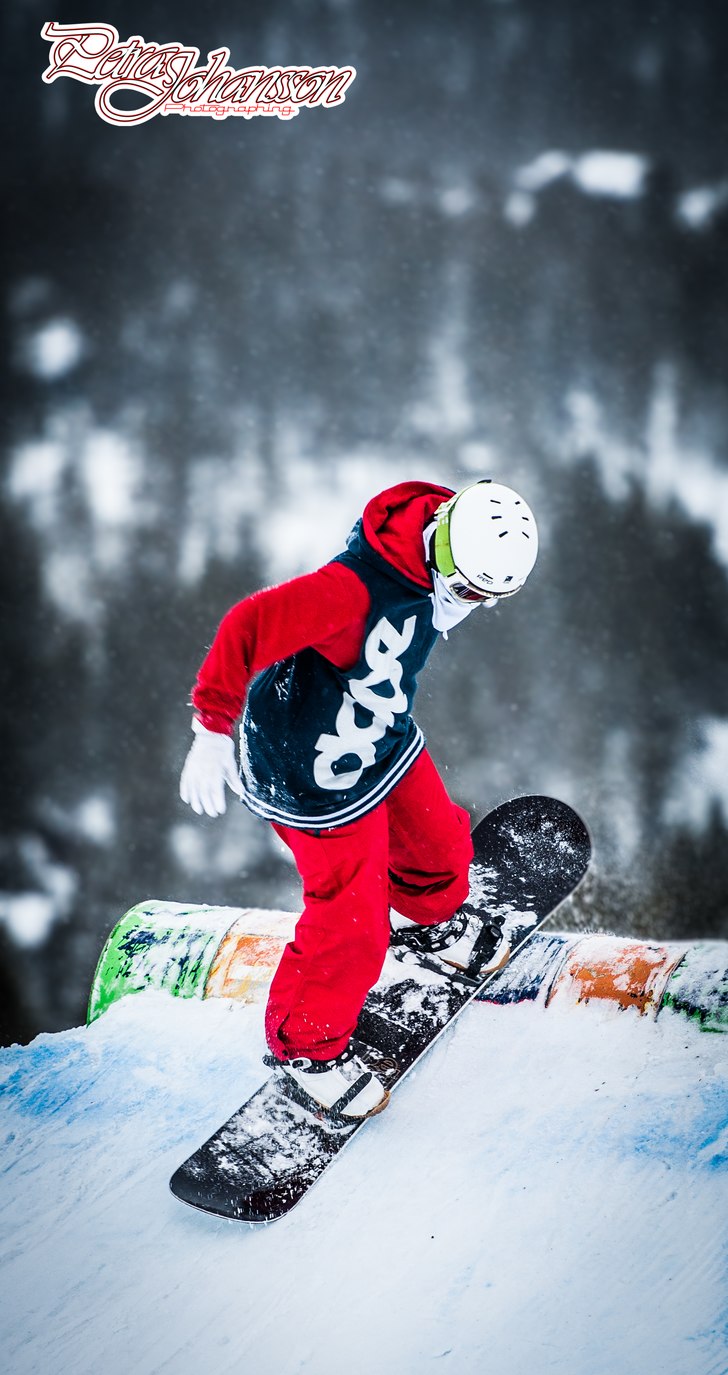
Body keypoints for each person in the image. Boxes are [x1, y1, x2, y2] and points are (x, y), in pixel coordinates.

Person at [180, 478, 538, 1121]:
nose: (475, 605)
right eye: (470, 590)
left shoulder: (437, 563)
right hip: (308, 773)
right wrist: (211, 726)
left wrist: (456, 593)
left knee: (439, 842)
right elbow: (250, 622)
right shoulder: (352, 589)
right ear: (445, 550)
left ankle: (430, 921)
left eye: (490, 598)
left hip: (377, 737)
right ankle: (306, 1048)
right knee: (352, 923)